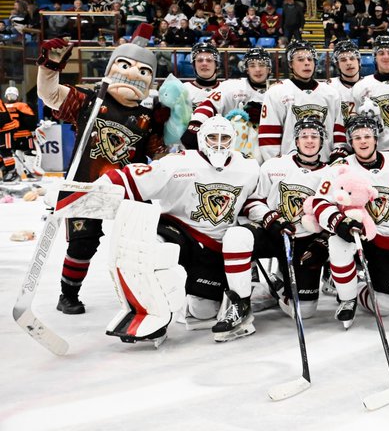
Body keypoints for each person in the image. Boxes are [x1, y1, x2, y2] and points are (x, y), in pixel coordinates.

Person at [36, 40, 170, 314]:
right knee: (82, 243)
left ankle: (140, 294)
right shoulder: (90, 100)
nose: (133, 74)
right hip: (87, 185)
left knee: (138, 244)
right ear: (111, 68)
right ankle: (68, 294)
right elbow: (49, 95)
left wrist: (169, 143)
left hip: (128, 190)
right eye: (125, 65)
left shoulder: (149, 115)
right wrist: (50, 66)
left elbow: (158, 155)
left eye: (143, 71)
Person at [102, 117, 261, 344]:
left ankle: (187, 299)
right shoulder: (180, 162)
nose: (218, 144)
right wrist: (96, 189)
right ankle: (149, 314)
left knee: (202, 312)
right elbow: (132, 178)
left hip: (214, 246)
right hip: (179, 231)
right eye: (212, 138)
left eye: (224, 138)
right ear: (201, 140)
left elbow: (252, 202)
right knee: (155, 249)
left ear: (233, 140)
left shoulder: (248, 168)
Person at [310, 113, 389, 316]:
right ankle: (347, 297)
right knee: (337, 243)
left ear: (376, 138)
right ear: (351, 142)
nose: (363, 141)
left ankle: (356, 289)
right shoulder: (341, 168)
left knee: (385, 308)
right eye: (357, 138)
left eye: (367, 136)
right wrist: (339, 222)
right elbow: (319, 202)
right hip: (355, 234)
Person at [243, 117, 350, 321]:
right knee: (239, 237)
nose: (309, 141)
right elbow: (252, 202)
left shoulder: (331, 173)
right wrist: (270, 219)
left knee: (304, 312)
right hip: (274, 233)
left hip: (305, 240)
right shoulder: (274, 166)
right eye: (304, 136)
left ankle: (279, 287)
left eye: (315, 136)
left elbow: (336, 213)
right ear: (296, 140)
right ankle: (238, 296)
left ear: (322, 141)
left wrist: (323, 241)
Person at [259, 42, 347, 161]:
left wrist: (337, 158)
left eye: (310, 59)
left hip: (325, 165)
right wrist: (276, 165)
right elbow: (269, 135)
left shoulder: (331, 94)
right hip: (290, 167)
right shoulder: (276, 93)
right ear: (290, 64)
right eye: (300, 59)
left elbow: (338, 132)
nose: (307, 63)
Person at [185, 48, 272, 160]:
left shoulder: (278, 90)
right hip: (234, 152)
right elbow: (210, 104)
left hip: (268, 149)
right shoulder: (233, 87)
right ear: (246, 69)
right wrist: (196, 124)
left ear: (269, 68)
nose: (258, 69)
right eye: (252, 65)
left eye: (262, 65)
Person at [0, 87, 37, 181]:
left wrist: (32, 129)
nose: (10, 96)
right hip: (19, 134)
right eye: (9, 95)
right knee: (24, 153)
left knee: (21, 154)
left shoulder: (5, 105)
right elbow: (30, 118)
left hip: (14, 134)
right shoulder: (22, 105)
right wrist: (32, 129)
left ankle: (24, 173)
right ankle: (25, 173)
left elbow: (29, 119)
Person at [326, 40, 362, 121]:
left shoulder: (370, 86)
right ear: (337, 64)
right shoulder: (329, 87)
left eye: (352, 58)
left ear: (358, 61)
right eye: (343, 60)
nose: (348, 63)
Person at [184, 42, 223, 108]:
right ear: (194, 65)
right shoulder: (184, 90)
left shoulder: (226, 90)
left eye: (209, 60)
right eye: (200, 60)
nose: (204, 63)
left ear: (216, 65)